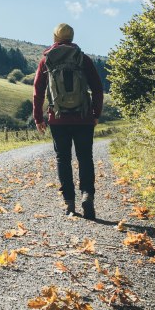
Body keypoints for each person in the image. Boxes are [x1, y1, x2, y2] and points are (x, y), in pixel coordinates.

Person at [33, 23, 104, 219]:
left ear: (55, 38)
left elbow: (38, 92)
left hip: (58, 118)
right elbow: (98, 89)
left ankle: (69, 203)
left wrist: (38, 117)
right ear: (72, 37)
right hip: (83, 117)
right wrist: (96, 113)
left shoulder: (46, 60)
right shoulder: (83, 59)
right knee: (85, 158)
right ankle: (87, 195)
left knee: (62, 159)